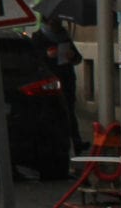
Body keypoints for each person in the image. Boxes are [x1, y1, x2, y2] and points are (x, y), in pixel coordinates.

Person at [35, 18, 85, 146]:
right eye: (53, 22)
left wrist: (72, 55)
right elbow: (34, 58)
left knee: (69, 109)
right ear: (47, 22)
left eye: (58, 21)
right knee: (50, 110)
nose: (56, 24)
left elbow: (78, 58)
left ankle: (75, 141)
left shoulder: (64, 37)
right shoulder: (38, 37)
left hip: (66, 78)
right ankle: (52, 141)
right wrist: (47, 55)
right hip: (49, 80)